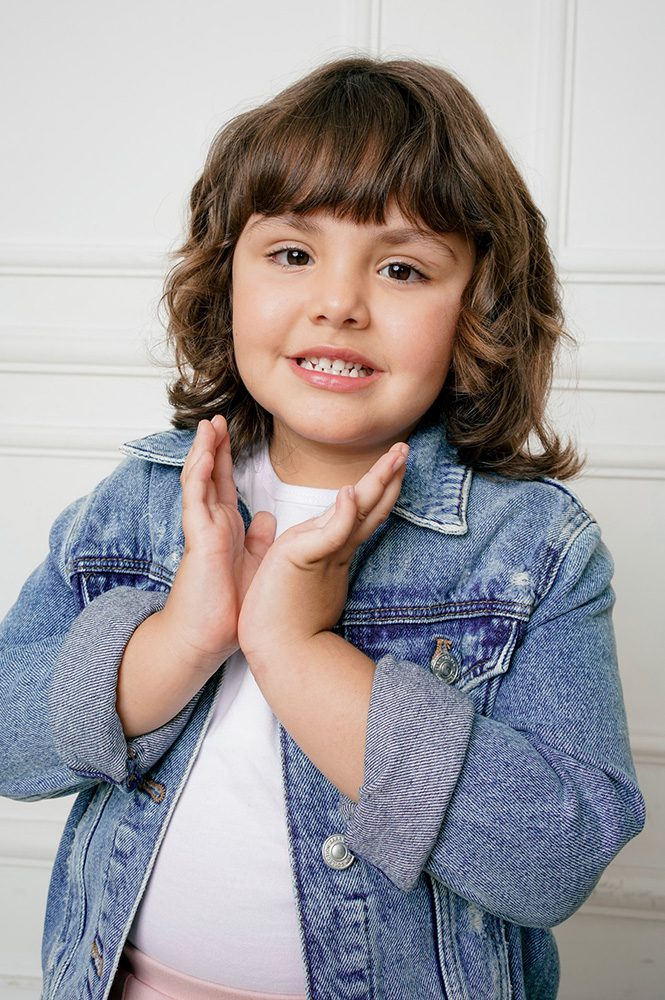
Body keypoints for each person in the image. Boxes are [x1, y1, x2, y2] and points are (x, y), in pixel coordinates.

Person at [0, 56, 645, 1000]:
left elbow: (552, 860)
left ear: (479, 304)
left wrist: (295, 650)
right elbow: (11, 742)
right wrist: (182, 638)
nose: (339, 303)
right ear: (225, 277)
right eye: (293, 254)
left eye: (400, 268)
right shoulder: (136, 503)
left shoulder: (533, 551)